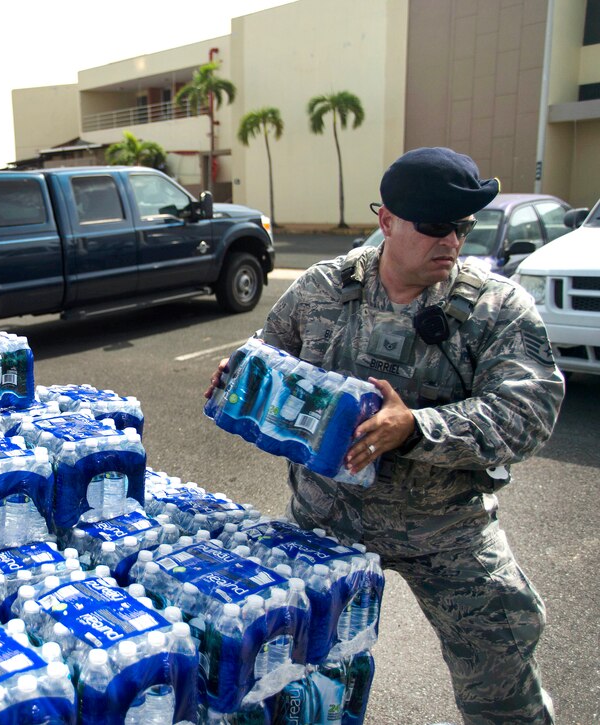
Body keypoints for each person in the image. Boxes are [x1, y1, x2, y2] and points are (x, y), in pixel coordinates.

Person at [208, 147, 563, 724]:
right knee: (291, 676)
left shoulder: (497, 308)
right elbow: (267, 353)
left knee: (505, 686)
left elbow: (529, 414)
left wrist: (417, 428)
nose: (452, 241)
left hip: (445, 532)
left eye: (464, 227)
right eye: (436, 226)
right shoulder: (324, 288)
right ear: (388, 222)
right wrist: (238, 378)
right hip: (328, 521)